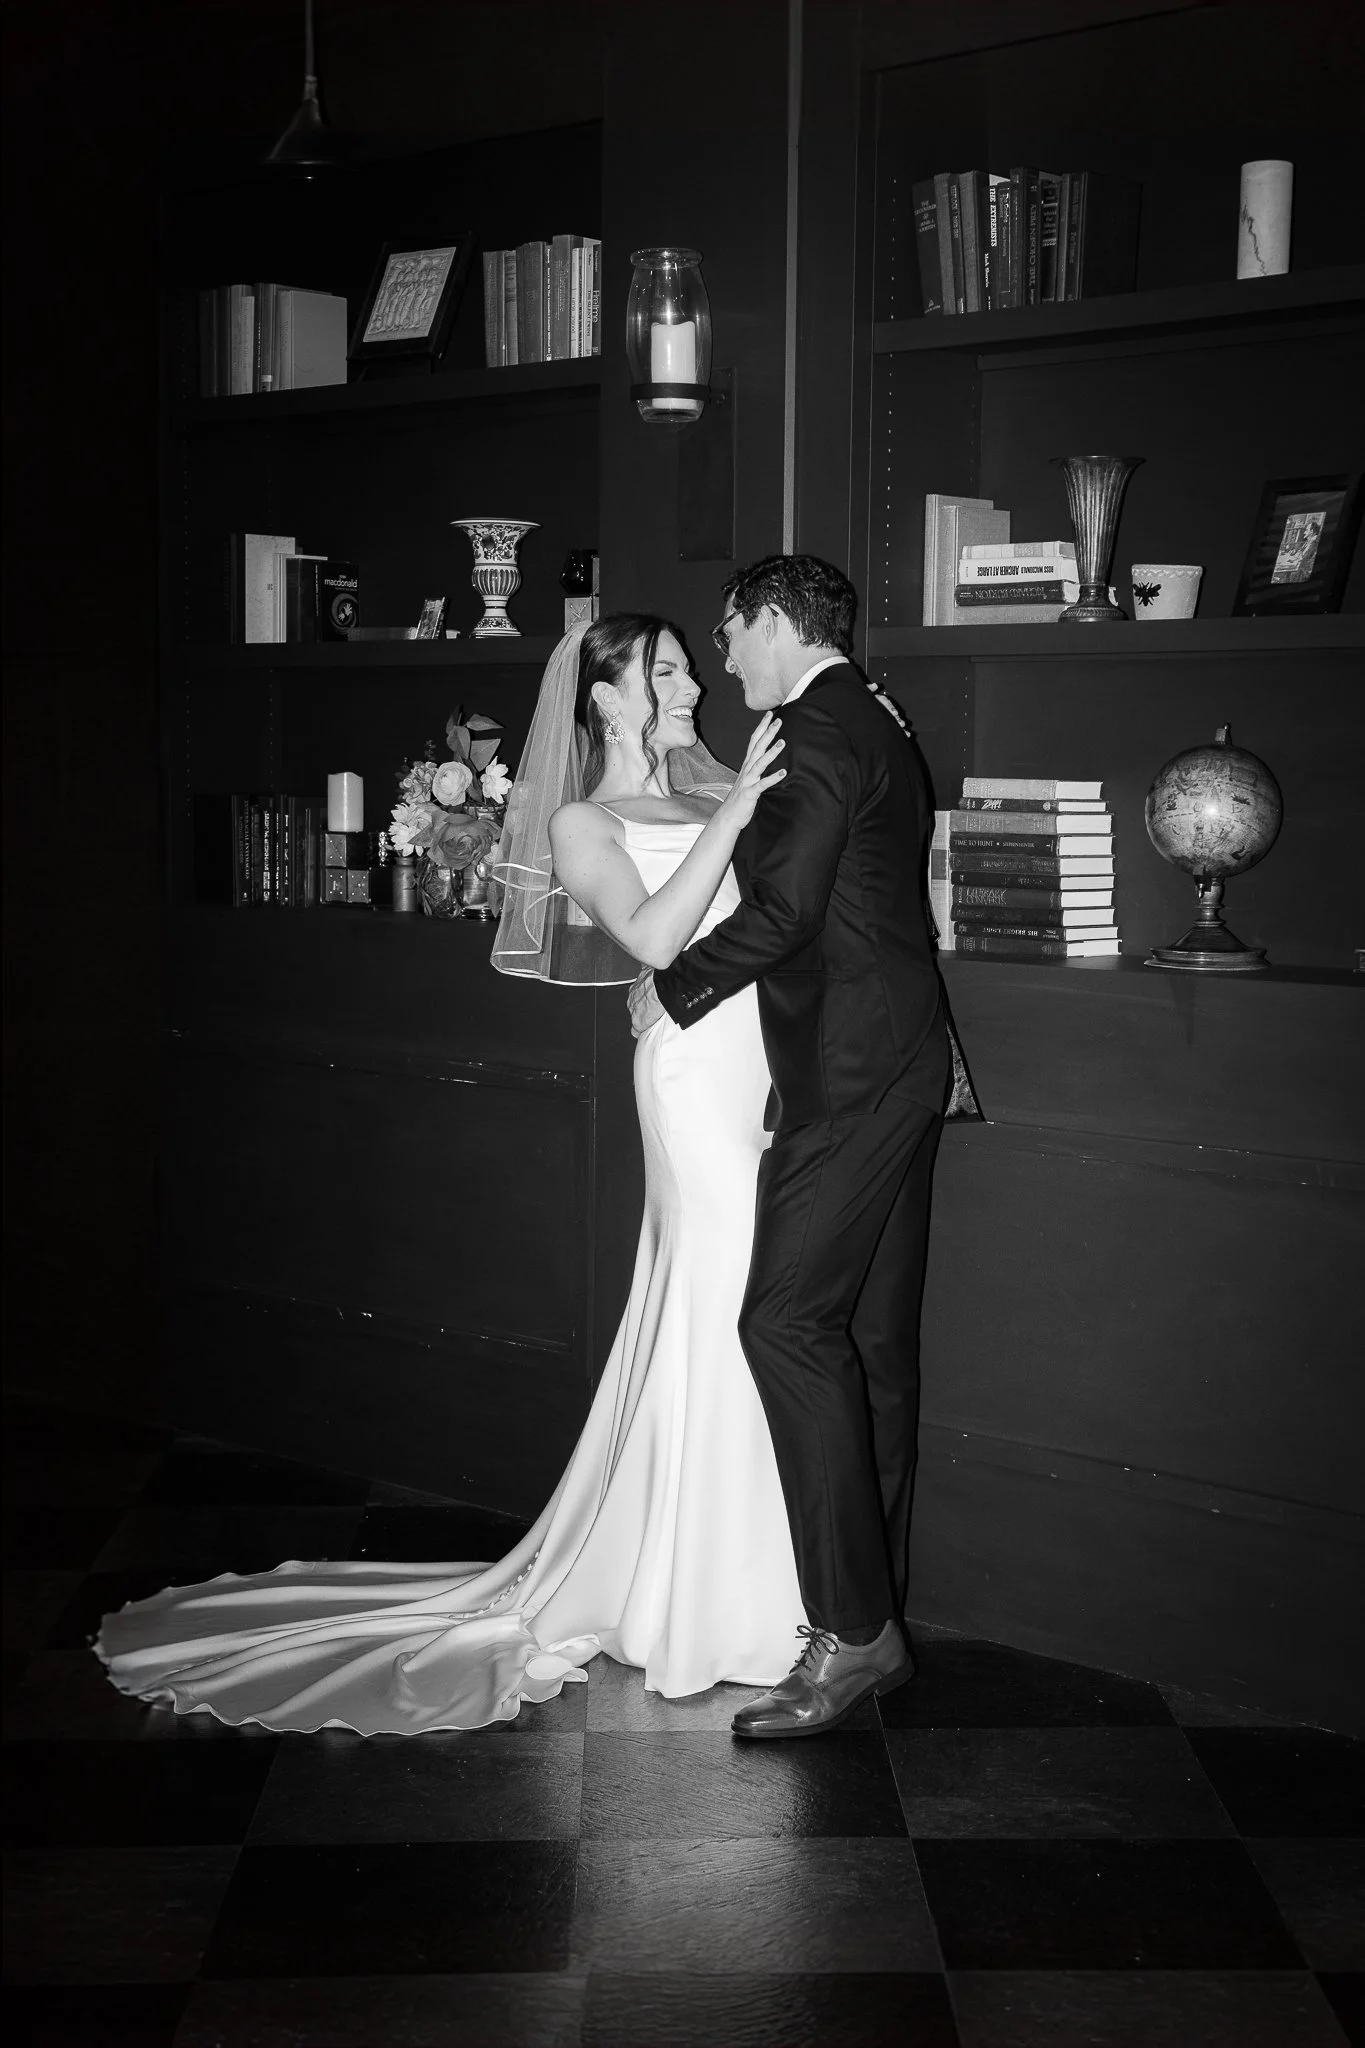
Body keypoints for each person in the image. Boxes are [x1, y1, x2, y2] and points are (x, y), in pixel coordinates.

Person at [95, 614, 804, 1733]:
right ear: (606, 701)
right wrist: (739, 814)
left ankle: (739, 1573)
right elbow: (658, 942)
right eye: (660, 670)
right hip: (684, 1078)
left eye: (683, 664)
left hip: (755, 1070)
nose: (687, 683)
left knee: (752, 1306)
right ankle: (704, 1598)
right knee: (718, 1300)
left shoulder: (711, 789)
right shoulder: (583, 819)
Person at [630, 555, 950, 1739]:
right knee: (874, 1341)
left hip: (855, 1077)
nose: (721, 655)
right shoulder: (867, 714)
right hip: (902, 1060)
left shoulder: (816, 727)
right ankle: (878, 1608)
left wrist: (676, 988)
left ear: (775, 622)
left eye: (728, 630)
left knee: (783, 1322)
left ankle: (856, 1635)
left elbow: (784, 912)